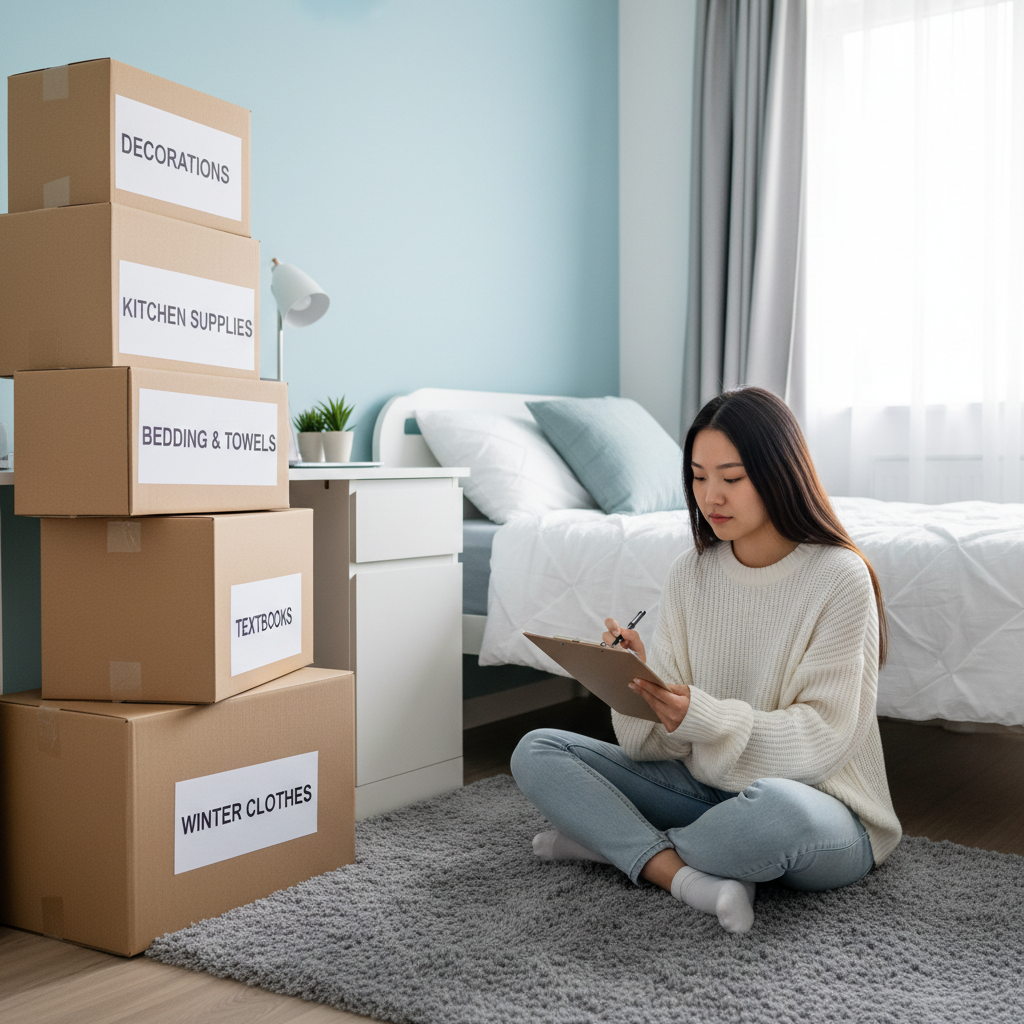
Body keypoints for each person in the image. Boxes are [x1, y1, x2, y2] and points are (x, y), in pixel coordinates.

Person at [510, 387, 901, 934]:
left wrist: (703, 717)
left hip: (823, 807)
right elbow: (651, 748)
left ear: (780, 474)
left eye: (731, 478)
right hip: (708, 794)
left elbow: (821, 739)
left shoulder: (840, 577)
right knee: (537, 750)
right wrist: (639, 689)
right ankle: (687, 871)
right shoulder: (690, 573)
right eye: (697, 477)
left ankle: (617, 848)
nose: (710, 496)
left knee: (778, 811)